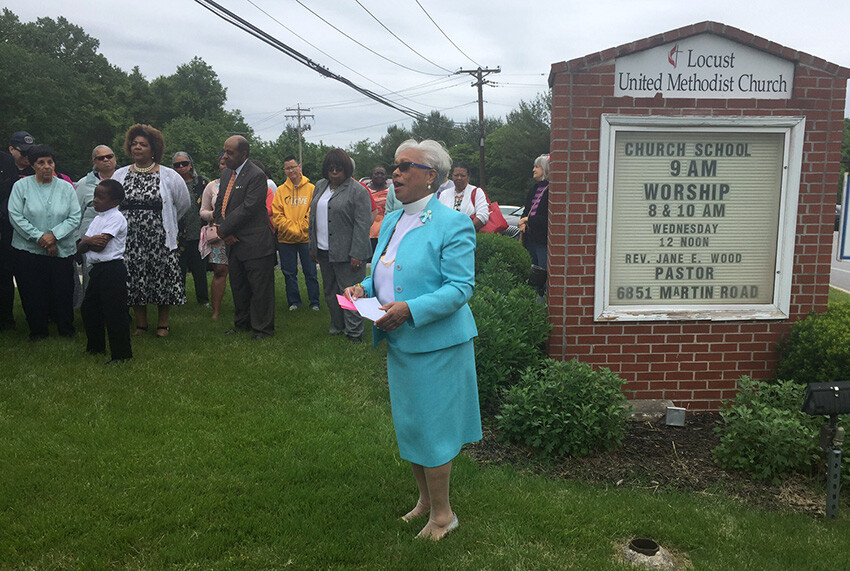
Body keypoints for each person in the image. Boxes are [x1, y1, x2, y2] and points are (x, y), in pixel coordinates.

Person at [345, 139, 482, 541]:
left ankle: (444, 516)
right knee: (412, 425)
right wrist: (363, 286)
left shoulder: (452, 223)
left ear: (431, 177)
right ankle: (425, 502)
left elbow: (460, 287)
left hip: (438, 344)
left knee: (434, 430)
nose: (396, 173)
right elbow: (384, 271)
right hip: (402, 343)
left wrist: (409, 309)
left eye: (406, 166)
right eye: (395, 166)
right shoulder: (392, 219)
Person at [113, 124, 190, 337]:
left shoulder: (169, 176)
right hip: (130, 239)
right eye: (134, 144)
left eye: (143, 144)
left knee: (162, 278)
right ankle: (141, 324)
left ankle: (163, 324)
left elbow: (182, 204)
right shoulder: (119, 174)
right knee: (135, 278)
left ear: (153, 148)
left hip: (160, 238)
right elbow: (113, 203)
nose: (137, 147)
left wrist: (164, 224)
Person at [7, 145, 81, 340]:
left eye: (50, 162)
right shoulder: (21, 187)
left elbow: (74, 217)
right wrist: (41, 238)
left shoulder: (65, 187)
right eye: (41, 163)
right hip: (28, 249)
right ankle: (38, 331)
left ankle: (66, 329)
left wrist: (54, 236)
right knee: (32, 291)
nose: (46, 166)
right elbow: (15, 216)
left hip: (61, 249)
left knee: (63, 289)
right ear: (33, 165)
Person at [214, 135, 276, 339]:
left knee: (260, 289)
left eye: (230, 152)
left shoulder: (256, 176)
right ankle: (242, 324)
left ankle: (263, 329)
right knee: (239, 286)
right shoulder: (226, 174)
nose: (225, 156)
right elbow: (220, 203)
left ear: (244, 154)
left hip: (255, 242)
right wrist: (225, 230)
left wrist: (223, 230)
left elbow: (248, 208)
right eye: (224, 151)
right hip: (234, 241)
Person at [308, 148, 371, 343]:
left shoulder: (358, 190)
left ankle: (354, 332)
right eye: (330, 168)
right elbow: (312, 218)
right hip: (324, 249)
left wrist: (358, 253)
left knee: (350, 292)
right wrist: (312, 246)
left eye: (339, 168)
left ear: (347, 170)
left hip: (349, 252)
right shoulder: (320, 186)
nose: (334, 172)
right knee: (330, 291)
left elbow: (362, 224)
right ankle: (337, 325)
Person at [78, 179, 131, 364]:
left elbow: (100, 246)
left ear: (115, 201)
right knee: (89, 308)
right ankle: (95, 347)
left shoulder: (116, 218)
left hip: (112, 269)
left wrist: (87, 242)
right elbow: (82, 247)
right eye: (94, 196)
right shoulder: (97, 219)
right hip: (97, 270)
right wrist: (88, 242)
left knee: (114, 312)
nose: (95, 200)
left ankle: (121, 354)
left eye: (100, 197)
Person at [272, 155, 320, 311]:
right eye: (287, 168)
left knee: (310, 271)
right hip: (286, 240)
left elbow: (312, 213)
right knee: (289, 272)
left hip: (306, 238)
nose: (291, 170)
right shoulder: (280, 191)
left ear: (299, 167)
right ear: (284, 170)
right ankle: (294, 301)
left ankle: (314, 302)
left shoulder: (311, 188)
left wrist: (299, 229)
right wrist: (292, 229)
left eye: (293, 167)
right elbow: (277, 215)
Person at [0, 131, 36, 329]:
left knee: (29, 277)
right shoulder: (4, 169)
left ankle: (37, 318)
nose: (26, 157)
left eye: (29, 152)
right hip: (6, 230)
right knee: (4, 275)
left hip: (30, 231)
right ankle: (5, 320)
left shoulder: (37, 169)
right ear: (11, 150)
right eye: (23, 152)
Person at [74, 145, 118, 305]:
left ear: (115, 158)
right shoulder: (84, 184)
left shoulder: (125, 179)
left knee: (118, 279)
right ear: (94, 161)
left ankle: (118, 312)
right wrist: (78, 241)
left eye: (110, 156)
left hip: (119, 239)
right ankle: (92, 311)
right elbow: (75, 213)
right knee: (92, 277)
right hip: (92, 241)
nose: (106, 160)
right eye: (101, 158)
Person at [173, 151, 210, 305]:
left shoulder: (202, 183)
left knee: (200, 270)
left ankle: (203, 300)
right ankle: (179, 298)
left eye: (184, 164)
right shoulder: (172, 184)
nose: (181, 167)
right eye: (177, 165)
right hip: (178, 234)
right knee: (178, 269)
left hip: (199, 232)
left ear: (191, 164)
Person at [199, 155, 228, 320]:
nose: (224, 166)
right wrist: (213, 214)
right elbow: (202, 211)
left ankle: (244, 308)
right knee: (219, 271)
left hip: (240, 234)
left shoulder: (243, 184)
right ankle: (215, 311)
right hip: (219, 234)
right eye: (222, 163)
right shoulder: (212, 186)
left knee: (242, 272)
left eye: (228, 163)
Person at [519, 154, 550, 299]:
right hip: (530, 238)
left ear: (545, 169)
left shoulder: (551, 190)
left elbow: (546, 217)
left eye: (537, 166)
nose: (534, 170)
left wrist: (528, 220)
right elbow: (526, 210)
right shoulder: (534, 189)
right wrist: (522, 221)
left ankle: (542, 300)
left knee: (543, 271)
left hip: (542, 240)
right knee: (531, 271)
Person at [437, 162, 489, 230]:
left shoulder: (477, 192)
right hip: (446, 234)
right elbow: (438, 216)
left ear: (468, 177)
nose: (459, 178)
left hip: (467, 235)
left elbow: (483, 216)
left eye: (462, 176)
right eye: (456, 175)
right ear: (452, 176)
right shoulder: (444, 194)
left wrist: (465, 230)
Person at [367, 165, 389, 253]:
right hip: (368, 232)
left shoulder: (391, 191)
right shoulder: (365, 191)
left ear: (386, 177)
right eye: (376, 174)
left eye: (382, 174)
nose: (379, 176)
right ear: (371, 176)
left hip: (385, 231)